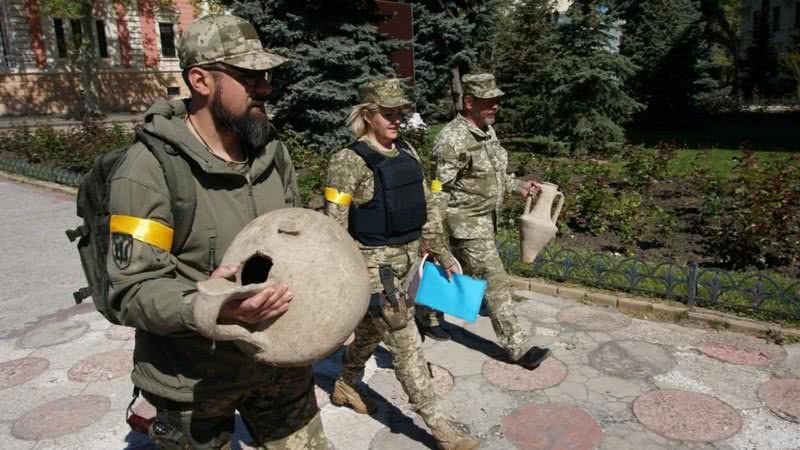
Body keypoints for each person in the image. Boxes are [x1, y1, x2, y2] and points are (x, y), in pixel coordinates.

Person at [107, 15, 328, 449]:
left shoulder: (272, 153)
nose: (264, 86)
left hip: (278, 368)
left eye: (265, 75)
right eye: (248, 76)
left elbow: (294, 244)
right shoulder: (147, 170)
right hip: (192, 383)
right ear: (200, 80)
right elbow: (131, 290)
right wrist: (214, 307)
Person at [323, 78, 480, 450]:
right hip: (375, 270)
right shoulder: (348, 161)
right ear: (366, 115)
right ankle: (439, 427)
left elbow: (425, 212)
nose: (396, 120)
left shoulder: (407, 151)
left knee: (370, 333)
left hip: (410, 262)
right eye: (387, 114)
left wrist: (443, 255)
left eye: (399, 113)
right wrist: (342, 280)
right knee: (408, 345)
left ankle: (346, 383)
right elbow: (334, 227)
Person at [424, 73, 552, 370]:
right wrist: (434, 236)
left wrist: (518, 186)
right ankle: (517, 347)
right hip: (465, 223)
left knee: (459, 274)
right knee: (495, 281)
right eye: (488, 101)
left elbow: (491, 175)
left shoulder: (486, 130)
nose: (495, 106)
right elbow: (438, 191)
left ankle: (428, 314)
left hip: (485, 220)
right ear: (469, 102)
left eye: (497, 101)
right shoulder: (452, 140)